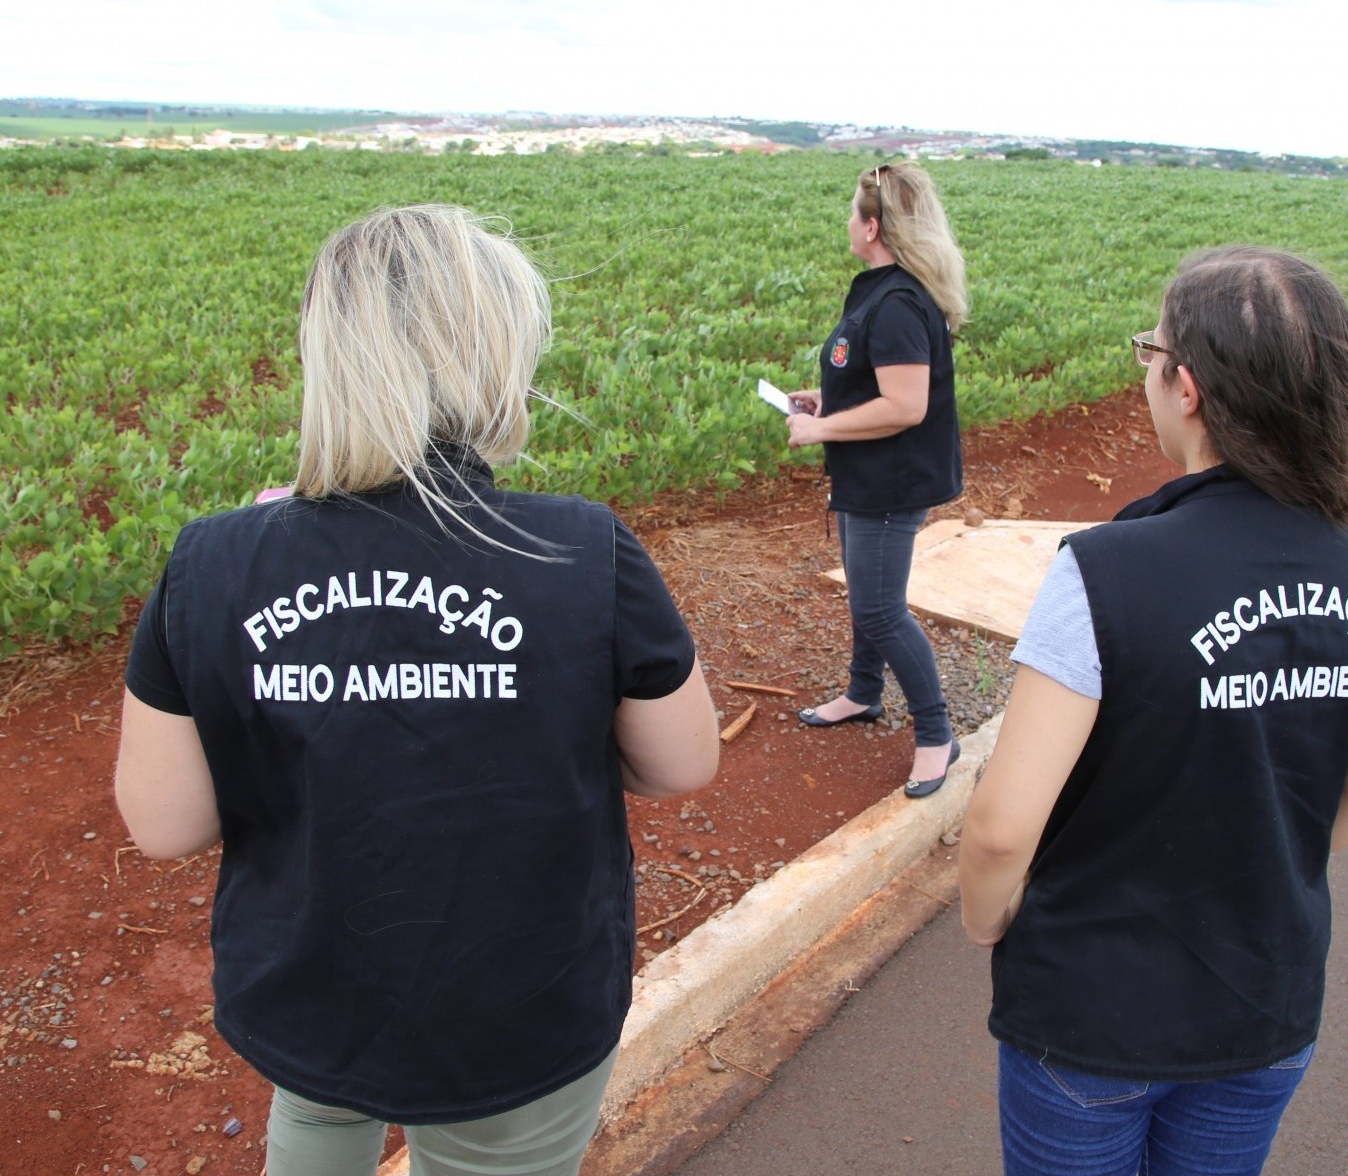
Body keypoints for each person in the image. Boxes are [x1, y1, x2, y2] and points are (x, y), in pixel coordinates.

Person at [115, 205, 720, 1176]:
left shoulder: (214, 560)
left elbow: (165, 822)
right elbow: (683, 760)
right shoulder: (582, 548)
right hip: (517, 1010)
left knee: (315, 1121)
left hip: (315, 991)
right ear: (494, 352)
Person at [959, 246, 1348, 1176]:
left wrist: (988, 921)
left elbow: (1003, 828)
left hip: (1091, 1013)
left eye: (1150, 353)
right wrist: (1255, 852)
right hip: (1263, 1007)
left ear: (1191, 388)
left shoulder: (1105, 570)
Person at [785, 162, 968, 798]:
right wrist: (825, 396)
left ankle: (938, 734)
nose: (846, 223)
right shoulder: (876, 288)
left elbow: (905, 405)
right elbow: (877, 381)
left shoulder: (895, 302)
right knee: (870, 593)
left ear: (871, 225)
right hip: (869, 473)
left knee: (880, 608)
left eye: (850, 213)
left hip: (893, 481)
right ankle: (864, 693)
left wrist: (822, 429)